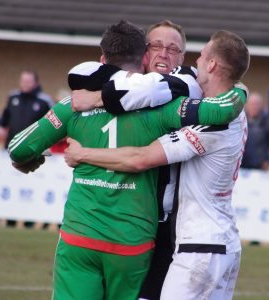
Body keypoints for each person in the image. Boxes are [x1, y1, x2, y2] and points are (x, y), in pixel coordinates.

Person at [8, 20, 204, 300]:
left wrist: (32, 156)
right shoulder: (164, 107)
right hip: (134, 241)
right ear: (143, 55)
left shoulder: (75, 102)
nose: (164, 53)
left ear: (103, 59)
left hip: (84, 234)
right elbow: (212, 113)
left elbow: (18, 148)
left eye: (173, 48)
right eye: (157, 46)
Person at [64, 29, 250, 300]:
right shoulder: (224, 101)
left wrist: (82, 154)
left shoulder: (212, 113)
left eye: (199, 55)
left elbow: (140, 159)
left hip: (197, 243)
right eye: (157, 45)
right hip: (220, 242)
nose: (196, 61)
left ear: (211, 64)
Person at [0, 69, 54, 148]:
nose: (25, 84)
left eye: (28, 82)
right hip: (11, 143)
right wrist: (2, 127)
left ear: (36, 83)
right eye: (23, 81)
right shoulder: (13, 97)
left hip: (34, 146)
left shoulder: (44, 101)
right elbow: (6, 116)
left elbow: (51, 123)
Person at [241, 91, 269, 170]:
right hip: (241, 165)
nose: (254, 107)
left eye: (256, 104)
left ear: (261, 106)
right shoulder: (239, 122)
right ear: (246, 105)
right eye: (251, 104)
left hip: (263, 166)